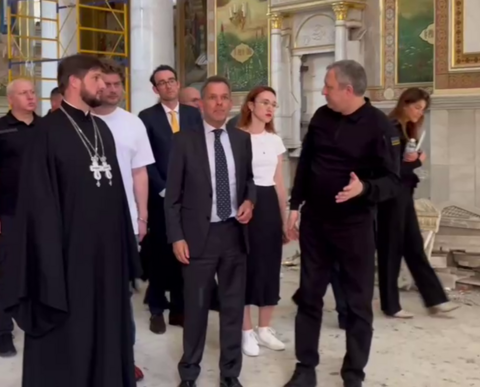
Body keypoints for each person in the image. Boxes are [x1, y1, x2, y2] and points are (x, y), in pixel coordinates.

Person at [2, 54, 141, 387]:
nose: (104, 86)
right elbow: (37, 208)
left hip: (106, 263)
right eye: (96, 79)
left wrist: (125, 249)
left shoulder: (101, 130)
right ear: (75, 82)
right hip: (66, 264)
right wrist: (50, 267)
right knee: (71, 337)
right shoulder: (45, 133)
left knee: (106, 328)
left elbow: (117, 197)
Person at [283, 60, 401, 387]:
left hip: (355, 227)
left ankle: (353, 373)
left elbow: (394, 180)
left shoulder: (381, 127)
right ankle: (305, 367)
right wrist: (295, 205)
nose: (323, 91)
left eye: (329, 86)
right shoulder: (322, 117)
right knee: (309, 296)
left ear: (349, 90)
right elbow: (306, 163)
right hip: (316, 225)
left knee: (357, 302)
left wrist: (365, 188)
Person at [166, 75, 256, 387]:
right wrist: (176, 236)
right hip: (197, 238)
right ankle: (189, 373)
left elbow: (249, 182)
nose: (219, 103)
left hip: (233, 234)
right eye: (212, 97)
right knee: (196, 309)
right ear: (202, 104)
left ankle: (230, 374)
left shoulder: (242, 140)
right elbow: (172, 196)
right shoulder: (184, 141)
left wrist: (249, 201)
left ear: (231, 103)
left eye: (224, 97)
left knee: (232, 309)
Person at [94, 58, 155, 382]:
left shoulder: (133, 123)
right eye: (108, 84)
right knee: (89, 293)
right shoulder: (79, 121)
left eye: (119, 84)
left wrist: (142, 215)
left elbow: (139, 172)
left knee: (121, 293)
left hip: (125, 222)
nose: (114, 90)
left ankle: (123, 356)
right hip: (87, 223)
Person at [377, 88, 459, 319]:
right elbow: (391, 171)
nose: (418, 113)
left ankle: (436, 299)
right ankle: (390, 304)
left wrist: (413, 160)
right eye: (416, 107)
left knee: (414, 248)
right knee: (390, 251)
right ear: (405, 103)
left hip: (403, 197)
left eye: (422, 110)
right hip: (390, 199)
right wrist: (417, 163)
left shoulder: (406, 130)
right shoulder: (392, 128)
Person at [138, 65, 202, 334]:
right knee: (160, 253)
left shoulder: (192, 115)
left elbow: (200, 151)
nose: (168, 85)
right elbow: (145, 159)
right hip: (160, 195)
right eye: (162, 83)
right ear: (155, 89)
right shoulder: (147, 117)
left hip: (188, 197)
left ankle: (179, 308)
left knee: (183, 253)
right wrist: (163, 188)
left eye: (171, 80)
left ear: (178, 83)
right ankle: (156, 308)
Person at [0, 78, 38, 358]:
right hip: (9, 211)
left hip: (43, 214)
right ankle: (2, 331)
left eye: (33, 92)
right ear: (11, 99)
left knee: (40, 270)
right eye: (24, 93)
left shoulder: (46, 128)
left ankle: (34, 321)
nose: (31, 97)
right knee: (8, 274)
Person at [235, 86, 287, 357]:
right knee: (246, 266)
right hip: (245, 203)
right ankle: (246, 331)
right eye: (265, 102)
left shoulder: (274, 140)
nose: (269, 108)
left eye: (274, 104)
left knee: (270, 265)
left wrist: (284, 217)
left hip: (268, 205)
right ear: (251, 105)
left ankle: (265, 328)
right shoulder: (237, 137)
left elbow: (279, 182)